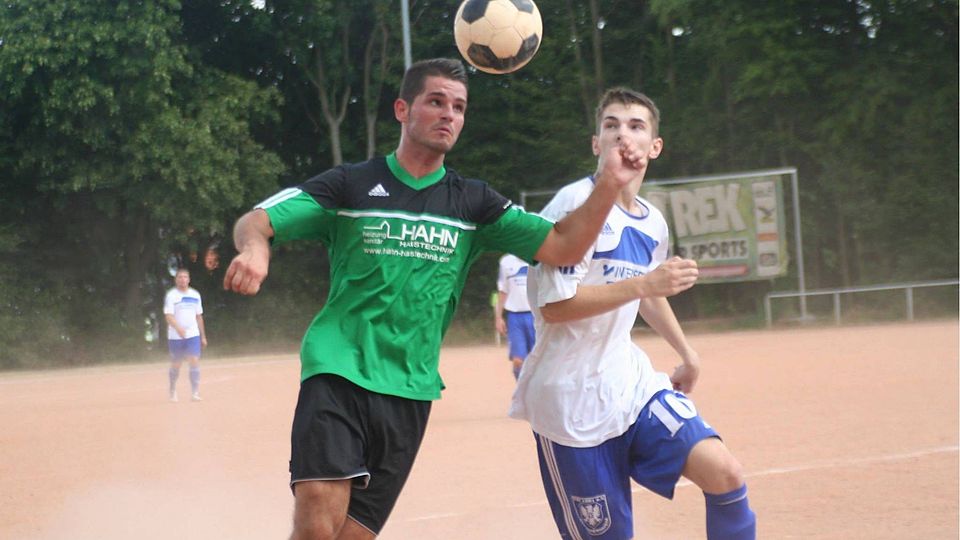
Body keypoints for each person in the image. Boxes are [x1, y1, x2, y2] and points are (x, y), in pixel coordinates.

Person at [222, 58, 648, 540]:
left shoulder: (473, 202)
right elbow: (259, 219)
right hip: (338, 367)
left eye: (459, 107)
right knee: (319, 517)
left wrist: (610, 184)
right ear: (403, 109)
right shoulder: (351, 185)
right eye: (436, 102)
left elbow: (562, 245)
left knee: (352, 535)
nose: (449, 114)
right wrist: (256, 249)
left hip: (412, 389)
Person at [509, 88, 757, 539]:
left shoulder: (652, 221)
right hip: (570, 406)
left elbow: (646, 293)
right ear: (595, 143)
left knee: (725, 474)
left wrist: (687, 352)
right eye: (611, 125)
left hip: (631, 386)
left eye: (636, 126)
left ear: (654, 147)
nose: (623, 134)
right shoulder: (573, 204)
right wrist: (644, 283)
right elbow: (554, 305)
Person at [164, 267, 207, 402]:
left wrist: (203, 336)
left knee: (194, 360)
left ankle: (195, 392)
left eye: (185, 277)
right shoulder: (171, 296)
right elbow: (168, 316)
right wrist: (178, 328)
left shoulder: (195, 295)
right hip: (175, 336)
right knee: (176, 363)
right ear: (176, 280)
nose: (182, 279)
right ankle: (172, 390)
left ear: (189, 279)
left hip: (192, 334)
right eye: (180, 277)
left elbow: (199, 316)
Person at [494, 253, 534, 379]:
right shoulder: (506, 261)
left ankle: (536, 394)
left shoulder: (538, 259)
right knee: (518, 360)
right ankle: (521, 391)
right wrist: (498, 317)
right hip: (515, 317)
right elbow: (503, 290)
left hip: (535, 316)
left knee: (536, 359)